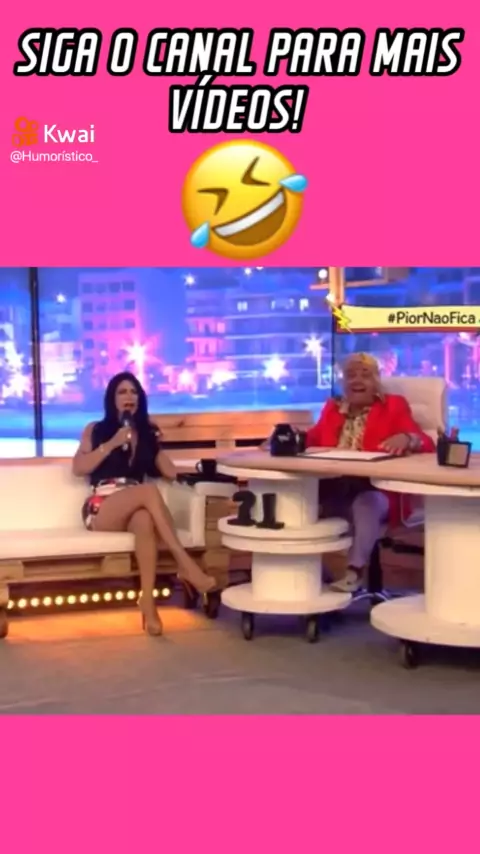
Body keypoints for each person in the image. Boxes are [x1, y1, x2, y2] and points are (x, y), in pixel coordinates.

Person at [72, 371, 215, 636]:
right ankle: (185, 564)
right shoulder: (96, 430)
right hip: (102, 505)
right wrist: (112, 444)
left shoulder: (147, 434)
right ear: (112, 399)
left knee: (145, 520)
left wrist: (155, 442)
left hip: (135, 503)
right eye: (122, 392)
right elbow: (78, 468)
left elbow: (170, 471)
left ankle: (147, 602)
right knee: (147, 491)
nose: (129, 396)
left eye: (133, 392)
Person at [303, 353, 435, 592]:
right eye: (350, 375)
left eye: (365, 375)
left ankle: (355, 572)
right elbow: (313, 437)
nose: (357, 380)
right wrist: (286, 439)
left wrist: (407, 438)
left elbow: (425, 441)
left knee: (367, 503)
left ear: (376, 381)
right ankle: (316, 574)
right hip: (334, 487)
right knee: (299, 504)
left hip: (377, 489)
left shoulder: (393, 405)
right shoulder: (333, 407)